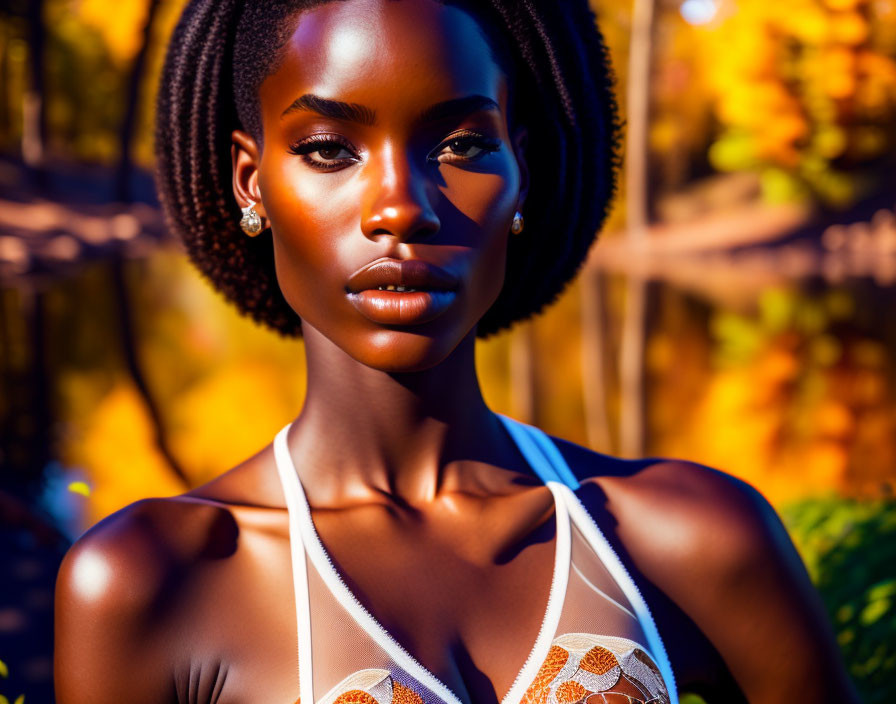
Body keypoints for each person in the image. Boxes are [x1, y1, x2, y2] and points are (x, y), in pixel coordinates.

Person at [54, 1, 860, 702]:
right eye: (331, 148)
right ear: (250, 182)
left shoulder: (688, 539)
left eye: (463, 145)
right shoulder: (150, 585)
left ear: (524, 171)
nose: (400, 208)